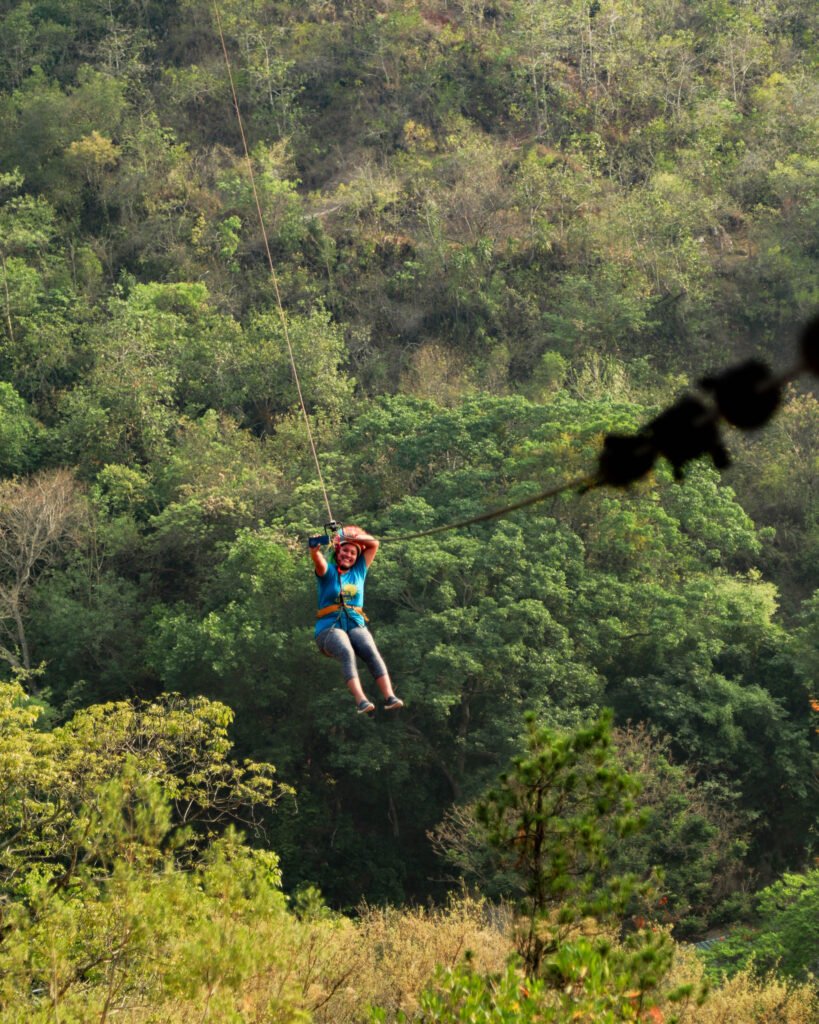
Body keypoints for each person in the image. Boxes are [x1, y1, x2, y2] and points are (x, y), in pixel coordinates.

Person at [308, 524, 403, 715]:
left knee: (369, 648)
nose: (348, 555)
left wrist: (347, 535)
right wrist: (315, 550)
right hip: (329, 626)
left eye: (352, 553)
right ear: (337, 552)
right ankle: (361, 700)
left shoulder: (359, 571)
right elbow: (319, 562)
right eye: (344, 551)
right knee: (345, 650)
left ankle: (389, 696)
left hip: (354, 622)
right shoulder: (329, 572)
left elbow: (373, 543)